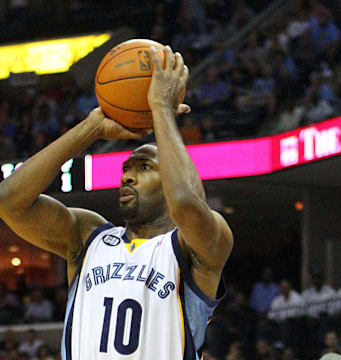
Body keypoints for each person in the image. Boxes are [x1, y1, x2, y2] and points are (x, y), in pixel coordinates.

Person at [0, 45, 233, 359]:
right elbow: (9, 201)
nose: (127, 176)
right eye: (126, 168)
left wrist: (161, 109)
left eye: (144, 167)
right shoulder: (88, 236)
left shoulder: (196, 246)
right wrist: (90, 128)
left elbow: (186, 204)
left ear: (173, 175)